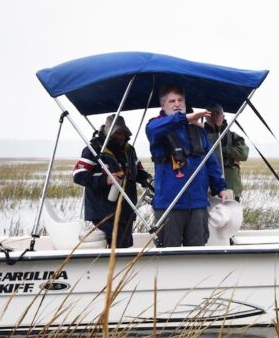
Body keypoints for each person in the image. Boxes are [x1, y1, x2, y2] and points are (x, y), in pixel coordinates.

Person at [145, 84, 234, 247]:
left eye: (180, 100)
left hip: (198, 203)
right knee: (168, 253)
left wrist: (220, 187)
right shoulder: (155, 126)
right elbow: (153, 130)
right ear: (163, 105)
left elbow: (210, 162)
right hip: (169, 204)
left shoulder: (198, 130)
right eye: (172, 101)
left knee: (197, 252)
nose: (177, 104)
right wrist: (186, 118)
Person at [72, 114, 151, 248]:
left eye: (123, 133)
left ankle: (123, 267)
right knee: (116, 244)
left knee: (124, 244)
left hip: (127, 208)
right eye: (117, 133)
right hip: (103, 211)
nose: (120, 136)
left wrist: (148, 179)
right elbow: (78, 175)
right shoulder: (93, 149)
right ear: (108, 132)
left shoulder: (130, 150)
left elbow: (138, 172)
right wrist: (105, 179)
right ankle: (113, 267)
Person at [204, 103, 249, 201]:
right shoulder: (199, 135)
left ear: (223, 116)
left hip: (230, 184)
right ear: (205, 116)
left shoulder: (233, 137)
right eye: (211, 114)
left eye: (217, 114)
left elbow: (243, 154)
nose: (214, 117)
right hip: (207, 183)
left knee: (231, 214)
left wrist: (223, 149)